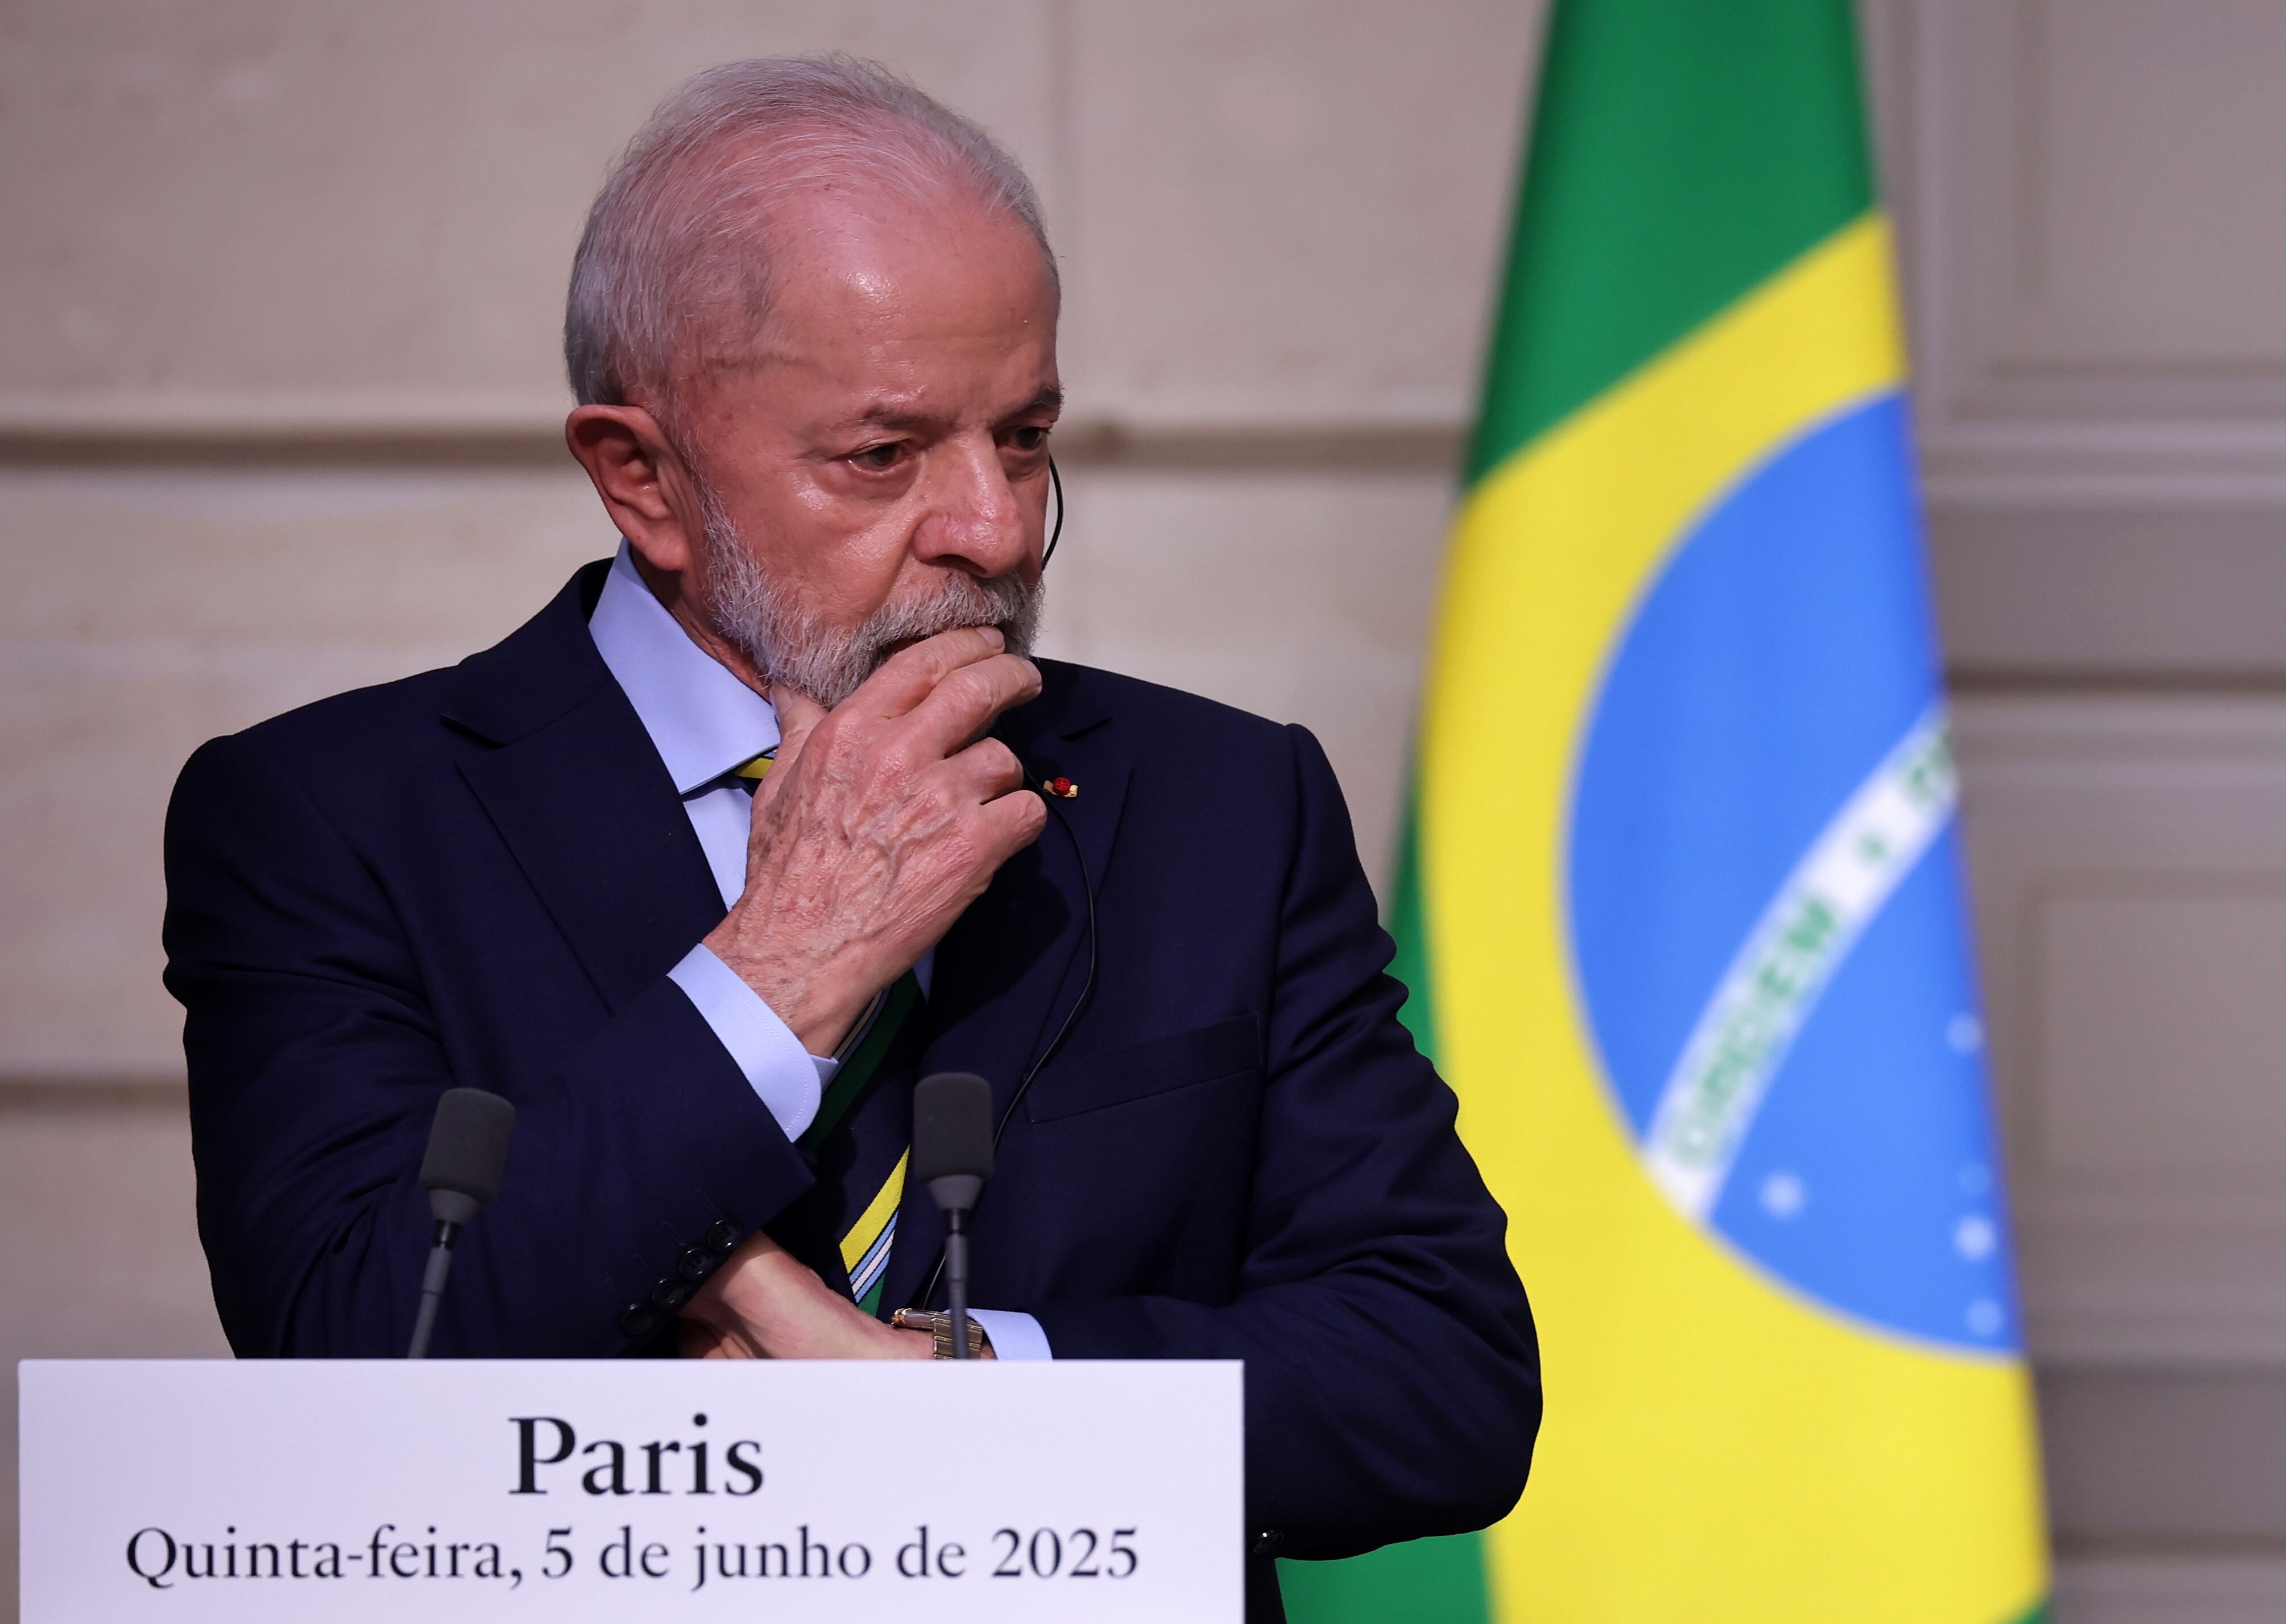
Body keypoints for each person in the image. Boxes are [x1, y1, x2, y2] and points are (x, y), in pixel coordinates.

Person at [163, 55, 1538, 1618]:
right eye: (883, 456)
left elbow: (1444, 1374)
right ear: (642, 478)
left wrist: (952, 1395)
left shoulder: (1222, 800)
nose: (995, 527)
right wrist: (781, 973)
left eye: (1024, 435)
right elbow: (351, 1368)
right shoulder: (332, 820)